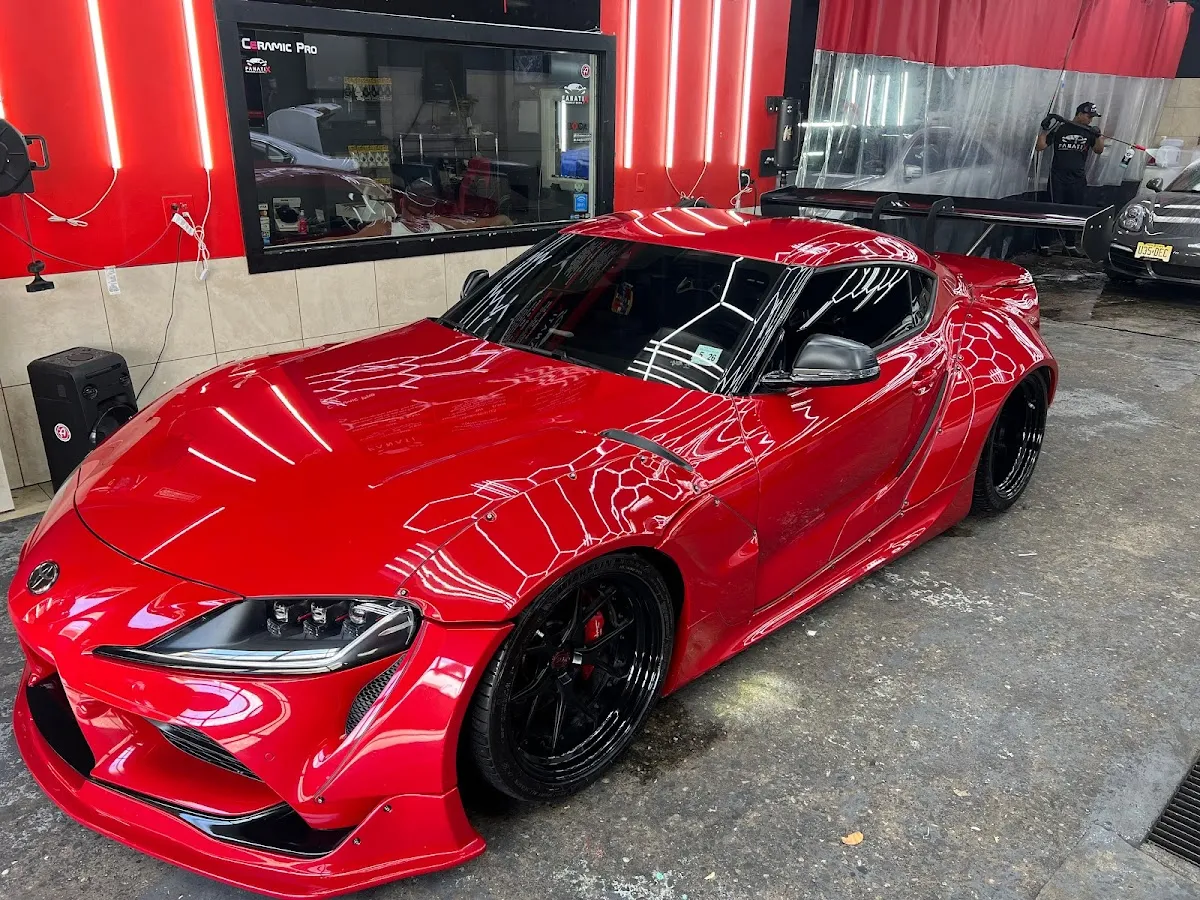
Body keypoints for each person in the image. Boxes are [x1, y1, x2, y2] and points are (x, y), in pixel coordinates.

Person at [1036, 101, 1106, 256]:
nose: (1090, 120)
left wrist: (1098, 136)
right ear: (1079, 114)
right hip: (1058, 177)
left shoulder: (1088, 131)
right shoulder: (1061, 128)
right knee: (1052, 209)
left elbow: (1098, 150)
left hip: (1077, 178)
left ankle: (1069, 245)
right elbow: (1040, 147)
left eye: (1092, 118)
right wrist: (1044, 130)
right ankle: (1044, 244)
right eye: (1088, 116)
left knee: (1075, 211)